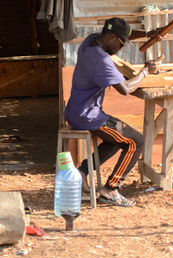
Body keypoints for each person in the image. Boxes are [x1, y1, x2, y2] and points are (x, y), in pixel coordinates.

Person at [65, 17, 164, 207]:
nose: (122, 48)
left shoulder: (91, 40)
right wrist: (145, 71)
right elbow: (125, 89)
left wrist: (147, 34)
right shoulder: (101, 60)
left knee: (117, 136)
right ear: (111, 38)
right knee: (136, 141)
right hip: (87, 116)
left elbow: (123, 35)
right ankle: (110, 189)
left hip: (75, 110)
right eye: (121, 44)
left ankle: (82, 172)